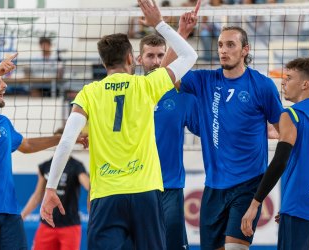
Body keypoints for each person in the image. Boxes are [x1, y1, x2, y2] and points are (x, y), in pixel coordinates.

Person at [39, 0, 199, 249]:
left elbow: (67, 141)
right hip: (145, 192)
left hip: (107, 195)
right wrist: (159, 24)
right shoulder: (147, 85)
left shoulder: (89, 93)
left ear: (104, 64)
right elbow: (190, 55)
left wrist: (50, 188)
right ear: (129, 57)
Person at [163, 25, 283, 249]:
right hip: (214, 187)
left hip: (249, 185)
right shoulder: (205, 81)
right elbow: (164, 74)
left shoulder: (262, 86)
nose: (223, 50)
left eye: (230, 45)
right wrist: (180, 32)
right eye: (220, 45)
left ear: (245, 50)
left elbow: (285, 137)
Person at [0, 55, 88, 250]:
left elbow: (27, 145)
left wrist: (65, 138)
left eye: (2, 78)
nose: (4, 84)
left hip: (9, 212)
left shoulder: (3, 123)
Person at [241, 57, 309, 250]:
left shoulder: (292, 114)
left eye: (289, 77)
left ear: (305, 84)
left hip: (300, 207)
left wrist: (255, 203)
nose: (283, 82)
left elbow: (279, 162)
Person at [138, 34, 200, 250]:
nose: (155, 61)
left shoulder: (181, 96)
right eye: (150, 56)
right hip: (137, 187)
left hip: (170, 186)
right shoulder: (132, 92)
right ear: (139, 59)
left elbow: (209, 128)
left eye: (160, 55)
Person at [21, 127, 90, 250]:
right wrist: (22, 216)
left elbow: (88, 185)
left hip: (70, 226)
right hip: (47, 225)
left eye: (64, 141)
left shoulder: (76, 166)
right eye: (58, 141)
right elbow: (37, 196)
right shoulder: (46, 166)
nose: (61, 145)